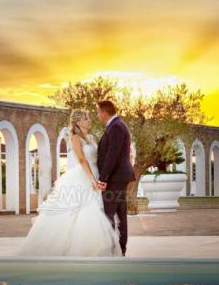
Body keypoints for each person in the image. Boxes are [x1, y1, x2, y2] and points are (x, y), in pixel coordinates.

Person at [17, 109, 120, 256]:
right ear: (78, 122)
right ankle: (74, 249)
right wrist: (92, 179)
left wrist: (103, 177)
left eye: (89, 118)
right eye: (86, 118)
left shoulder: (91, 138)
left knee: (97, 209)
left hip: (96, 174)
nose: (89, 120)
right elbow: (82, 160)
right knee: (80, 211)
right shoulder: (75, 138)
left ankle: (94, 249)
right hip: (84, 176)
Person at [95, 101, 136, 256]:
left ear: (105, 112)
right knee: (119, 213)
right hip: (117, 177)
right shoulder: (116, 125)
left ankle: (115, 250)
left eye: (98, 112)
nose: (97, 115)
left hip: (115, 178)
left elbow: (112, 155)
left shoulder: (117, 127)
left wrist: (103, 178)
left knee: (110, 214)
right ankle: (119, 250)